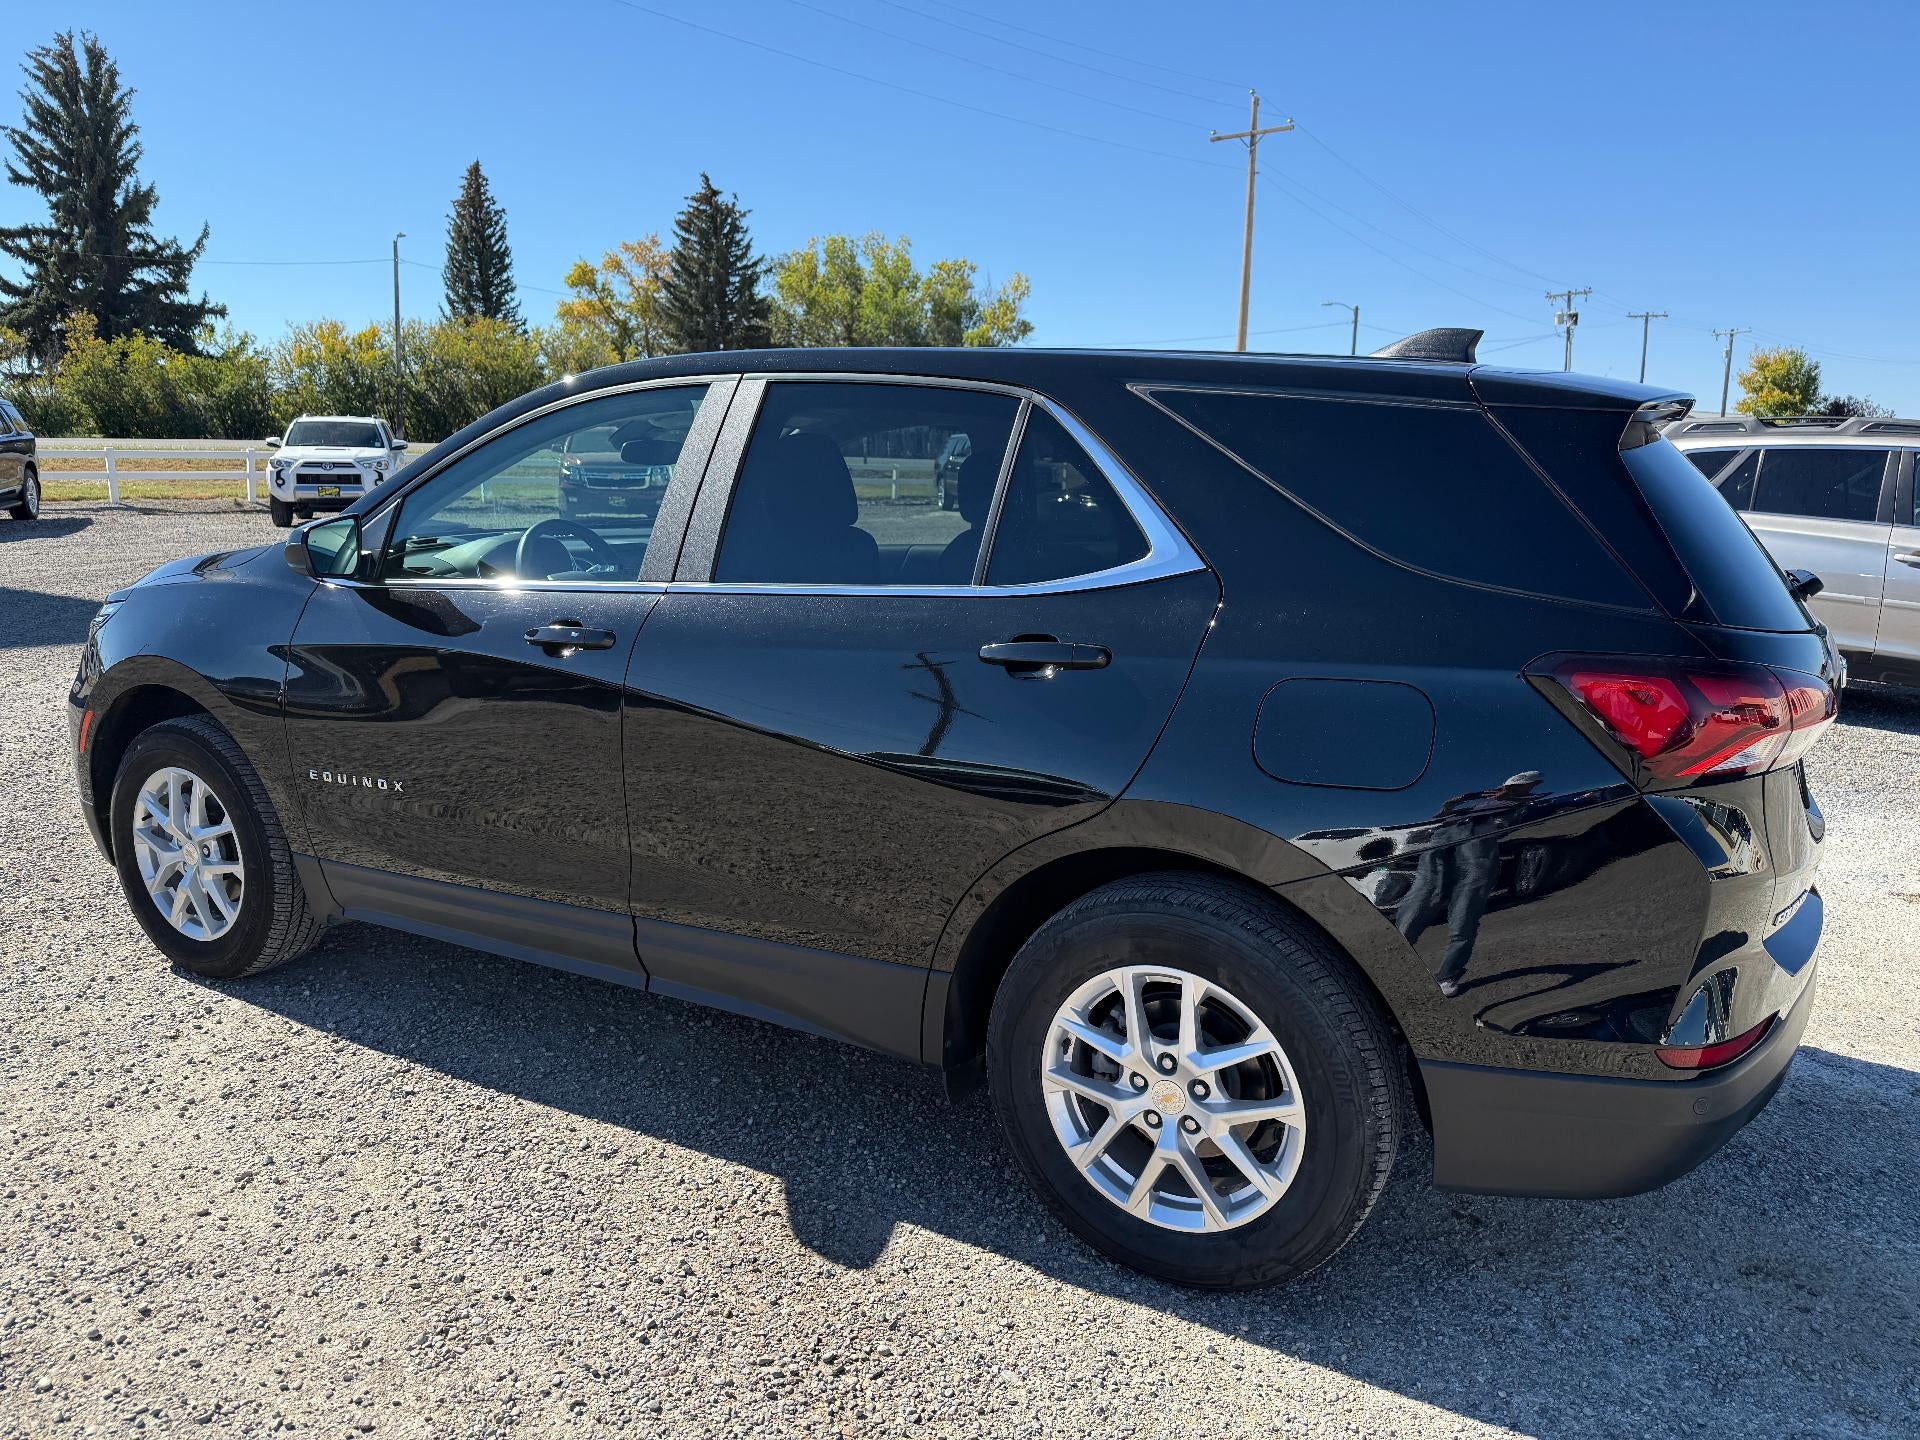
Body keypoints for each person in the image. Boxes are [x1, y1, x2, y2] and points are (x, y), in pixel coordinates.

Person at [1396, 771, 1543, 996]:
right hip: (1445, 836)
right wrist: (1450, 806)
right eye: (1510, 787)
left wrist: (1510, 801)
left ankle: (1446, 976)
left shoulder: (1524, 804)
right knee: (1422, 896)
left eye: (1519, 788)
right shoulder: (1477, 800)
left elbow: (1519, 821)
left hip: (1479, 845)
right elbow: (1437, 820)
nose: (1509, 791)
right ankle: (1395, 958)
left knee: (1465, 910)